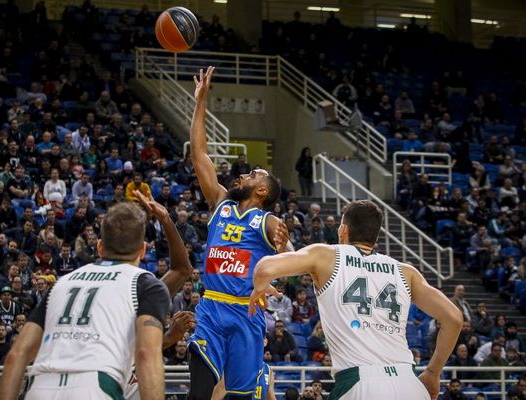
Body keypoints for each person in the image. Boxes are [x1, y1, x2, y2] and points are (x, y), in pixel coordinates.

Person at [250, 200, 463, 400]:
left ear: (343, 230)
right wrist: (433, 372)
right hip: (410, 383)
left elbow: (264, 269)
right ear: (375, 236)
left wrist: (261, 287)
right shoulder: (406, 272)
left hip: (360, 382)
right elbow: (454, 318)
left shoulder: (326, 255)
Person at [0, 200, 172, 400]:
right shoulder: (145, 283)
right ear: (143, 250)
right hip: (96, 385)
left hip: (40, 386)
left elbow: (16, 355)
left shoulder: (62, 283)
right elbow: (146, 354)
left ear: (99, 246)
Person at [188, 66, 291, 399]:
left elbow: (293, 260)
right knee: (199, 392)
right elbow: (199, 155)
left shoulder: (267, 222)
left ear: (261, 190)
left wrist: (280, 259)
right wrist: (200, 102)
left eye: (252, 174)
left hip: (246, 313)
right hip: (211, 308)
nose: (244, 175)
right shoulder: (221, 202)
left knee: (240, 396)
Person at [211, 362, 276, 400]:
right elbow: (215, 397)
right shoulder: (235, 367)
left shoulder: (267, 370)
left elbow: (270, 397)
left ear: (265, 343)